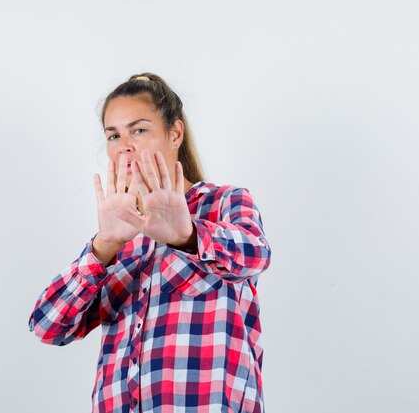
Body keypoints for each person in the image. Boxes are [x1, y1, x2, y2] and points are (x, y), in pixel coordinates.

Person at [28, 72, 272, 413]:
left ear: (175, 133)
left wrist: (187, 236)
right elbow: (47, 326)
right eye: (113, 135)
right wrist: (103, 247)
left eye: (138, 130)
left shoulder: (223, 203)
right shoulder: (120, 237)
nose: (124, 145)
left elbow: (256, 256)